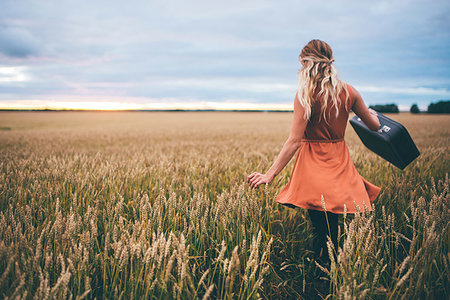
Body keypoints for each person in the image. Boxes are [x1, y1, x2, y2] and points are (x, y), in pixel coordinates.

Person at [247, 39, 381, 263]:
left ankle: (321, 273)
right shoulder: (350, 92)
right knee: (333, 225)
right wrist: (373, 115)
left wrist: (270, 174)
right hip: (339, 163)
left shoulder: (305, 95)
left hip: (312, 167)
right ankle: (335, 273)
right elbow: (375, 126)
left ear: (306, 63)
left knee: (321, 228)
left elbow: (293, 140)